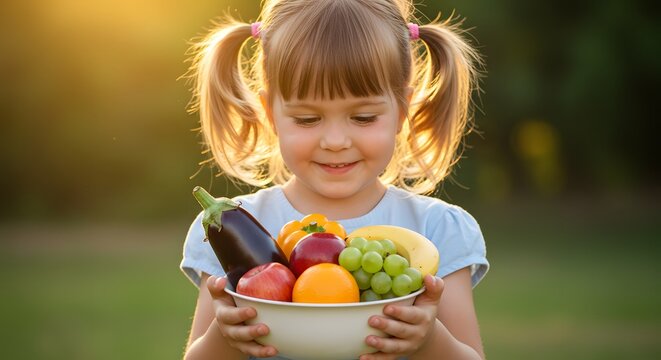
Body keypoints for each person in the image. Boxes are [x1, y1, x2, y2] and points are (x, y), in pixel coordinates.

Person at [180, 0, 489, 359]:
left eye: (362, 117)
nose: (336, 141)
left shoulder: (438, 230)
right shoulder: (230, 229)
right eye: (308, 120)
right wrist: (225, 335)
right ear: (271, 114)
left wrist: (430, 339)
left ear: (402, 110)